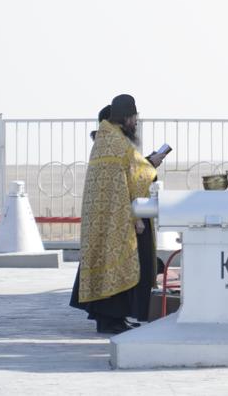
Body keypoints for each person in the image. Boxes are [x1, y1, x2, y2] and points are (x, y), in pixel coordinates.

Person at [69, 94, 164, 334]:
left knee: (107, 260)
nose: (135, 123)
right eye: (134, 118)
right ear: (127, 117)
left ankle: (113, 318)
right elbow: (137, 174)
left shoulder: (106, 138)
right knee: (123, 262)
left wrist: (146, 163)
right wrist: (151, 164)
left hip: (106, 215)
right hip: (117, 217)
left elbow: (127, 173)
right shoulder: (117, 142)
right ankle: (111, 319)